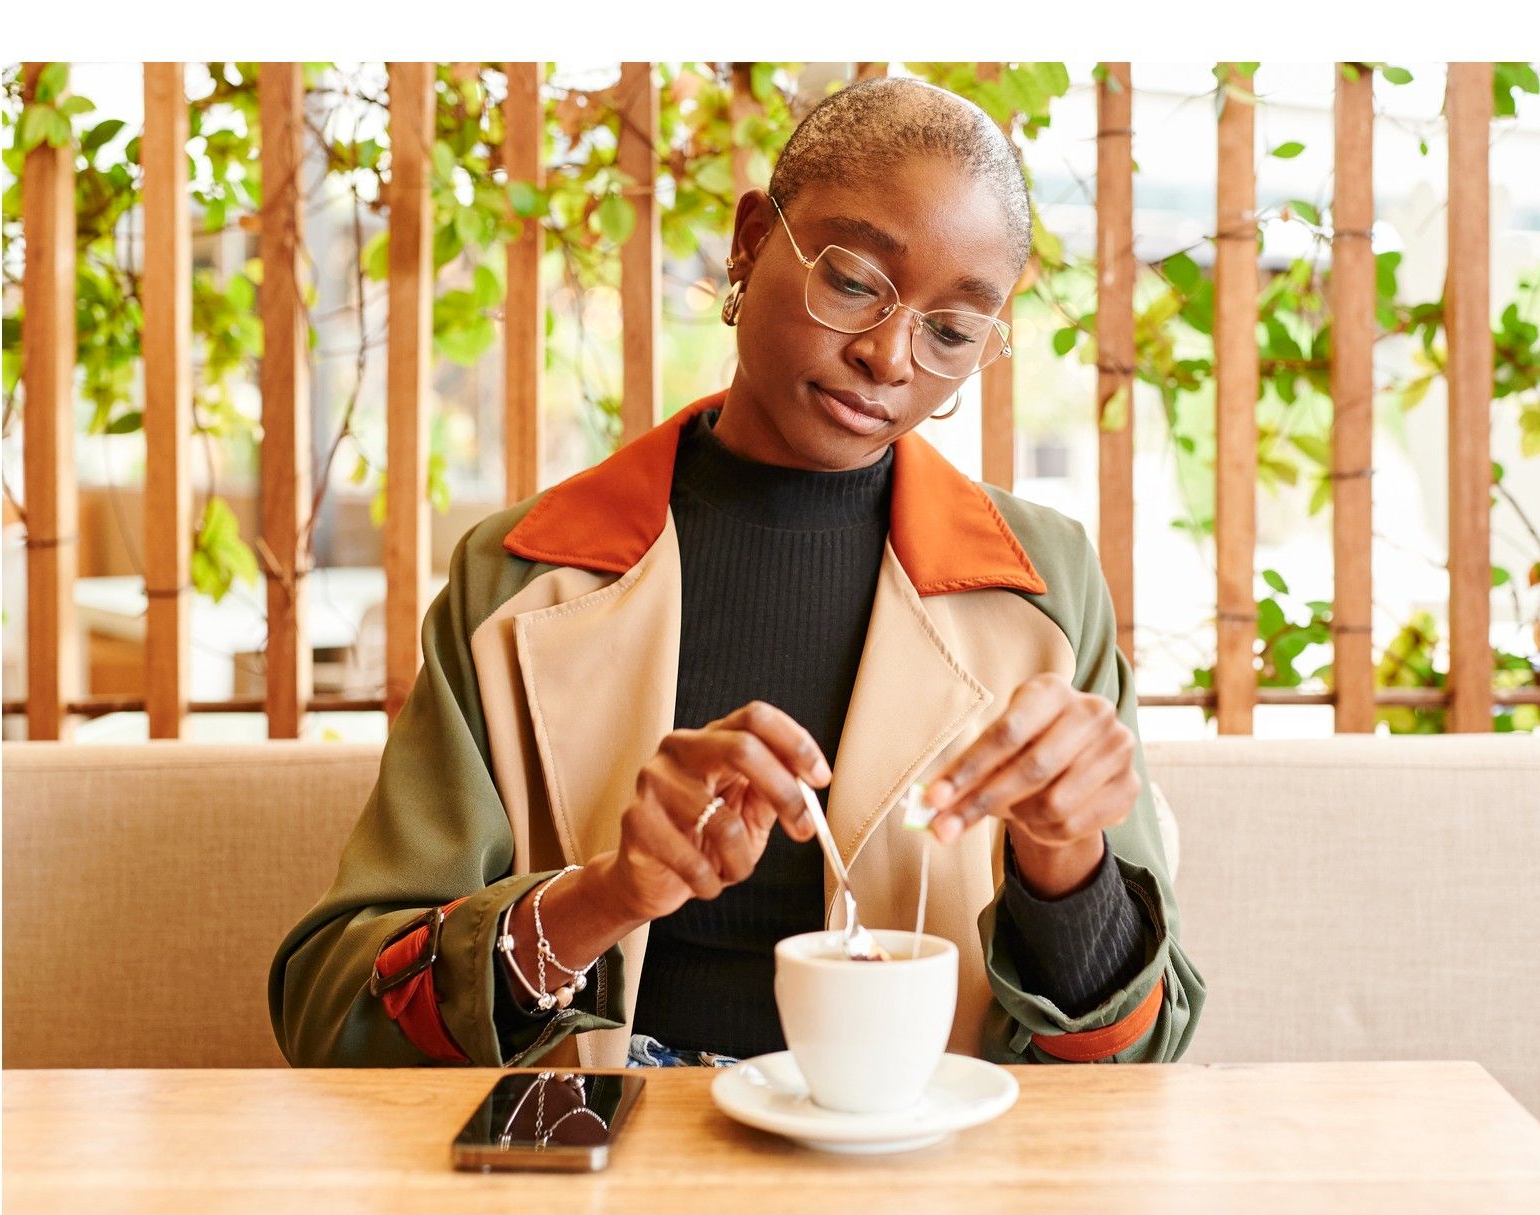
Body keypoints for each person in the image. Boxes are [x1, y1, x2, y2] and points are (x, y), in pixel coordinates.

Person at [268, 76, 1207, 1071]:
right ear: (752, 241)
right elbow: (336, 1018)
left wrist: (1067, 865)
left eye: (950, 330)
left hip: (919, 1180)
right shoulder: (520, 581)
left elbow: (1142, 1056)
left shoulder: (1042, 594)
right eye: (853, 281)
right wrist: (605, 894)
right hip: (603, 1172)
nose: (890, 356)